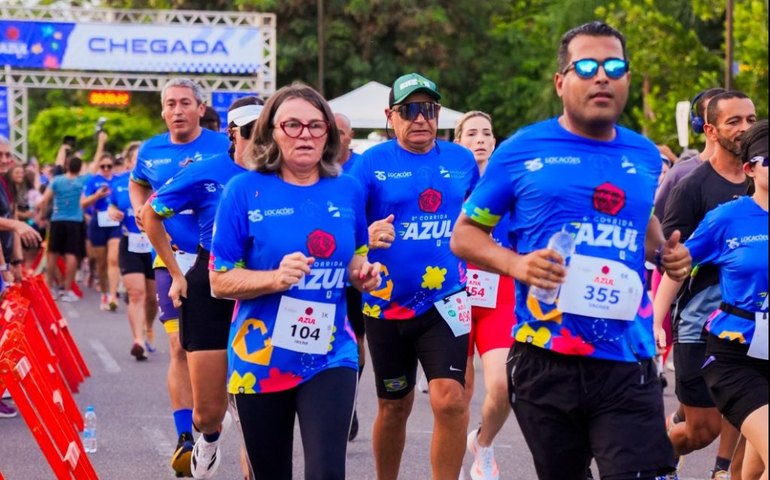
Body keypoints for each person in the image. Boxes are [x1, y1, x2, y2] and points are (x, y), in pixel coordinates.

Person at [450, 21, 691, 480]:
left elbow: (643, 222)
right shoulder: (522, 149)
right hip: (547, 358)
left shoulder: (642, 154)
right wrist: (517, 264)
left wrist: (665, 254)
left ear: (624, 80)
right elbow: (465, 235)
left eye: (614, 66)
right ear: (561, 81)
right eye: (586, 65)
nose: (602, 76)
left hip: (628, 358)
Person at [209, 82, 381, 480]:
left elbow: (355, 257)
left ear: (329, 134)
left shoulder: (347, 190)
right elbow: (219, 280)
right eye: (293, 125)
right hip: (260, 356)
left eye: (315, 126)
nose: (305, 134)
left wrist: (363, 274)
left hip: (330, 351)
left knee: (326, 472)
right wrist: (273, 278)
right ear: (272, 131)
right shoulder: (244, 191)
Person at [348, 72, 479, 480]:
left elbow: (481, 217)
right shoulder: (371, 163)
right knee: (393, 407)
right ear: (391, 115)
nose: (420, 118)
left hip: (448, 299)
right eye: (409, 110)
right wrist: (365, 237)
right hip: (386, 305)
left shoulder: (461, 160)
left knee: (451, 400)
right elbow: (342, 224)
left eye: (429, 109)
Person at [143, 95, 261, 478]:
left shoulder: (285, 173)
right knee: (208, 411)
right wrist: (177, 273)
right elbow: (151, 212)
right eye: (251, 130)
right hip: (209, 283)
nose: (262, 139)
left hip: (262, 287)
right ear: (232, 132)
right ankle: (208, 439)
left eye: (268, 129)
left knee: (253, 402)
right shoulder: (206, 169)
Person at [129, 77, 230, 478]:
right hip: (171, 259)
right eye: (170, 104)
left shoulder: (223, 147)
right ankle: (184, 436)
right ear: (162, 110)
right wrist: (140, 209)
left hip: (215, 261)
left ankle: (211, 419)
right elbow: (137, 186)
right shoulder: (150, 151)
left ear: (201, 108)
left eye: (185, 103)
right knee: (177, 346)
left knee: (211, 349)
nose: (177, 111)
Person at [655, 90, 756, 480]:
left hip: (753, 322)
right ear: (711, 130)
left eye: (750, 119)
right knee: (703, 429)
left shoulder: (761, 182)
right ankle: (651, 461)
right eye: (734, 121)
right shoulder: (693, 186)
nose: (745, 128)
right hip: (701, 321)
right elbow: (671, 260)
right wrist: (655, 320)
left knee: (750, 417)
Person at [452, 110, 514, 480]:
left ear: (494, 141)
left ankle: (484, 443)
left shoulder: (509, 182)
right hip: (454, 294)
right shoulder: (449, 183)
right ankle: (455, 465)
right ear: (458, 141)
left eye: (485, 133)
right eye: (471, 133)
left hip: (499, 294)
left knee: (504, 386)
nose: (479, 139)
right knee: (458, 393)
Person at [107, 145, 158, 361]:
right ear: (129, 163)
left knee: (152, 299)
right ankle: (138, 340)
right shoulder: (118, 183)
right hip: (129, 242)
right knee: (136, 294)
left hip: (156, 246)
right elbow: (110, 206)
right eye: (136, 159)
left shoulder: (160, 181)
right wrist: (112, 212)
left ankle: (147, 328)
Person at [333, 111, 366, 442]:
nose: (335, 136)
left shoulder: (361, 168)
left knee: (357, 346)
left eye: (340, 131)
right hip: (321, 275)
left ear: (349, 135)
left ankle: (348, 400)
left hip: (355, 271)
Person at [38, 156, 88, 301]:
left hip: (57, 220)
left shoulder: (57, 180)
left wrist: (42, 216)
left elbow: (43, 200)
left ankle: (49, 287)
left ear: (66, 165)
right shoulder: (81, 182)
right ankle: (67, 290)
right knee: (71, 254)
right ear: (79, 167)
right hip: (75, 222)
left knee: (52, 254)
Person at [82, 150, 122, 311]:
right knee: (102, 263)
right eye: (103, 166)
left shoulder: (119, 181)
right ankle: (104, 292)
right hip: (98, 222)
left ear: (113, 166)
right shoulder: (93, 181)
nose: (106, 169)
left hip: (115, 223)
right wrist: (97, 196)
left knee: (113, 259)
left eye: (109, 166)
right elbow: (83, 204)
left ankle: (113, 296)